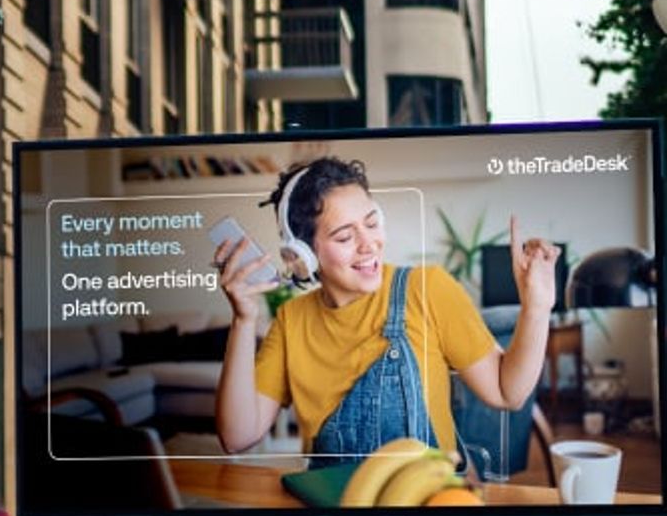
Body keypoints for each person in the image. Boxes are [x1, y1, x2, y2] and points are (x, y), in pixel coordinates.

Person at [213, 156, 559, 463]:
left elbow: (506, 393)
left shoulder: (427, 289)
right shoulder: (291, 322)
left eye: (372, 222)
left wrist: (537, 307)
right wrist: (244, 319)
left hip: (427, 505)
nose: (369, 244)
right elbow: (236, 437)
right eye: (345, 237)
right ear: (301, 256)